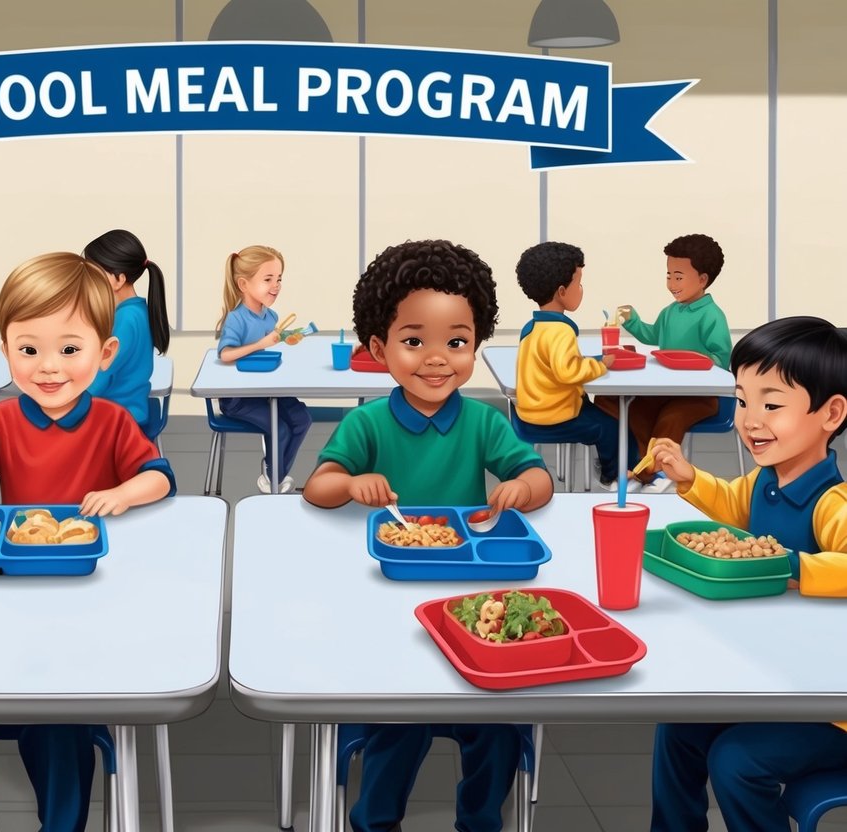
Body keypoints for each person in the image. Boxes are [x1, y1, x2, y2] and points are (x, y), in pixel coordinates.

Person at [303, 240, 554, 832]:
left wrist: (523, 488)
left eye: (457, 342)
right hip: (393, 602)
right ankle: (374, 820)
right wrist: (352, 482)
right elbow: (318, 486)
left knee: (497, 732)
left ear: (475, 346)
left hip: (473, 598)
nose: (437, 359)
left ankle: (480, 822)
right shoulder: (367, 421)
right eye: (414, 342)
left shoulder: (483, 421)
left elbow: (537, 476)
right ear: (378, 349)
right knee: (399, 722)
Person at [0, 252, 176, 832]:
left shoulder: (112, 421)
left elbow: (159, 476)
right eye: (28, 349)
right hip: (2, 589)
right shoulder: (0, 420)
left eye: (69, 349)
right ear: (6, 350)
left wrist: (124, 494)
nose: (48, 367)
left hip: (81, 598)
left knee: (60, 721)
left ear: (104, 353)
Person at [648, 316, 847, 832]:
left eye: (772, 405)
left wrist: (792, 567)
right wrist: (690, 477)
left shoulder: (832, 504)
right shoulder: (764, 481)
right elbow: (735, 506)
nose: (750, 419)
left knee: (737, 761)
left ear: (832, 413)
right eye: (741, 401)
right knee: (677, 727)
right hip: (775, 677)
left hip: (831, 706)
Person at [596, 233, 733, 492]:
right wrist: (632, 320)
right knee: (627, 408)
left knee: (670, 420)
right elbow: (652, 336)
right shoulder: (670, 312)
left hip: (699, 396)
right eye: (669, 276)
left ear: (702, 279)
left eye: (678, 277)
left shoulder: (712, 316)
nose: (671, 284)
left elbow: (721, 359)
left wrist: (694, 360)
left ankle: (658, 474)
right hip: (665, 389)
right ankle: (643, 471)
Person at [513, 241, 638, 490]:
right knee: (613, 428)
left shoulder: (532, 328)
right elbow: (568, 372)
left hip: (528, 411)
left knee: (601, 413)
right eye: (578, 283)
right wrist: (602, 363)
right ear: (562, 291)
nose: (581, 290)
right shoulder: (560, 331)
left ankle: (606, 464)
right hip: (556, 415)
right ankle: (614, 476)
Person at [215, 245, 311, 493]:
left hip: (265, 389)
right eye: (268, 279)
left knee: (302, 419)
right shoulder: (236, 319)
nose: (276, 285)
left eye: (279, 279)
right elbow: (226, 355)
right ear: (243, 284)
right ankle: (274, 479)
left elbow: (270, 344)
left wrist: (286, 338)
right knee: (278, 428)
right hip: (238, 398)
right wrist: (261, 343)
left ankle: (274, 474)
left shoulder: (270, 316)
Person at [82, 228, 171, 431]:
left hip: (117, 416)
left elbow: (101, 378)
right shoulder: (137, 310)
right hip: (131, 408)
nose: (88, 281)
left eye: (94, 273)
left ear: (119, 279)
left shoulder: (125, 320)